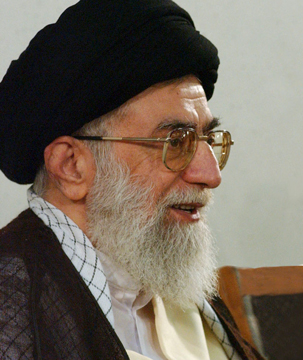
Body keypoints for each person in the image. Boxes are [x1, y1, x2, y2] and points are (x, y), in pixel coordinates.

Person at [0, 1, 264, 359]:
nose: (210, 175)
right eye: (176, 142)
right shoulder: (10, 302)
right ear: (72, 165)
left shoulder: (177, 285)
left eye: (207, 140)